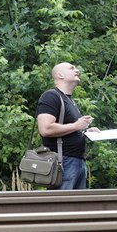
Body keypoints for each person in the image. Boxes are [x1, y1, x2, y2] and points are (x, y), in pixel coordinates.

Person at [37, 62, 99, 190]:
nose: (76, 70)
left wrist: (86, 130)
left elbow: (71, 128)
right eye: (71, 68)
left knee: (77, 208)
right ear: (60, 75)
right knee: (62, 207)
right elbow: (45, 129)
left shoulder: (70, 100)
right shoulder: (51, 96)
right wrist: (76, 126)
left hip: (77, 162)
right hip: (63, 162)